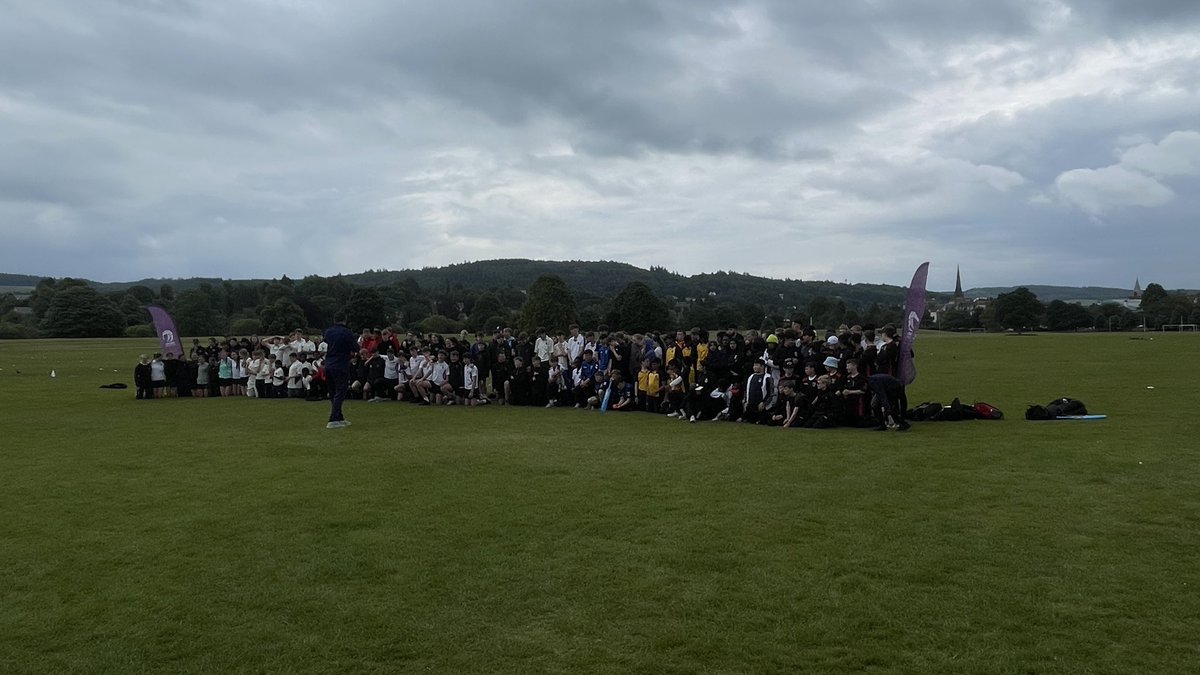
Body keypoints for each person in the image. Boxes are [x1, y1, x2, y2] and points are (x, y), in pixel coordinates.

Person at [323, 313, 357, 429]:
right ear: (345, 320)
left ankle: (339, 416)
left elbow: (327, 341)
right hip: (340, 364)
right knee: (341, 391)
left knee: (333, 392)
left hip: (329, 363)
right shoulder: (346, 332)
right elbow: (354, 347)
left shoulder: (328, 331)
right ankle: (333, 418)